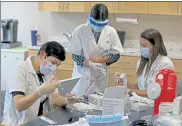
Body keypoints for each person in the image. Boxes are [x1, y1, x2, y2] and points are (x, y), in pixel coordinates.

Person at [2, 41, 81, 126]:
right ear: (42, 54)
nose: (54, 68)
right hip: (19, 123)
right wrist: (40, 92)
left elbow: (55, 99)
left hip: (39, 121)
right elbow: (19, 105)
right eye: (53, 62)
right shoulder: (19, 70)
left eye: (57, 65)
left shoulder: (48, 72)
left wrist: (67, 100)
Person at [68, 3, 124, 96]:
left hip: (100, 78)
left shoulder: (111, 32)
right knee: (79, 105)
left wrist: (102, 60)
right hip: (82, 77)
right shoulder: (80, 31)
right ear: (90, 18)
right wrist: (90, 64)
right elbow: (75, 56)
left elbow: (116, 55)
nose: (98, 26)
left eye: (101, 24)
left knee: (98, 105)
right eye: (96, 23)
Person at [114, 29, 175, 97]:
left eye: (144, 45)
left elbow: (156, 93)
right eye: (141, 45)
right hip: (142, 102)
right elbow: (139, 87)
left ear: (155, 45)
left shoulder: (165, 64)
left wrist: (128, 91)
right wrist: (124, 83)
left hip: (158, 104)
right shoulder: (142, 62)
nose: (142, 48)